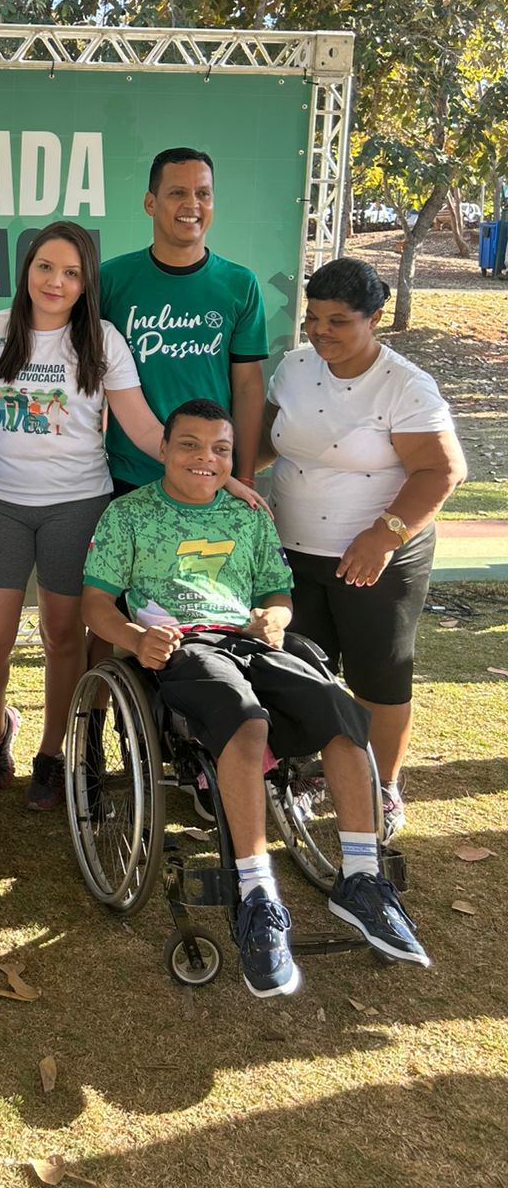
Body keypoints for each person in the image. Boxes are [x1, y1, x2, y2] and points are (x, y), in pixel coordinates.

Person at [83, 398, 430, 998]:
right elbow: (94, 605)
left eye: (219, 449)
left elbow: (277, 593)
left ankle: (361, 879)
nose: (205, 458)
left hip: (253, 641)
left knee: (341, 713)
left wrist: (276, 617)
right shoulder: (128, 514)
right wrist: (136, 639)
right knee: (244, 721)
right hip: (185, 647)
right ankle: (256, 893)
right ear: (163, 449)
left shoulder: (249, 517)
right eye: (189, 445)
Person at [0, 220, 259, 812]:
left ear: (86, 285)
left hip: (77, 505)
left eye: (71, 273)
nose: (55, 282)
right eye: (45, 267)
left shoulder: (101, 340)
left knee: (63, 637)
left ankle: (53, 754)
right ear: (27, 271)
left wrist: (214, 470)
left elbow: (146, 428)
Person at [262, 257, 466, 836]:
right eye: (313, 319)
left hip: (377, 558)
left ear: (374, 318)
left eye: (338, 321)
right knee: (304, 668)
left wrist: (384, 535)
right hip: (294, 551)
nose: (320, 332)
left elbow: (442, 470)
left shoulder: (404, 384)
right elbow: (268, 442)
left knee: (378, 676)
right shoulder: (294, 368)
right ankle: (310, 772)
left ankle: (383, 785)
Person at [99, 149, 268, 493]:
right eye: (177, 192)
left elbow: (248, 388)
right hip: (129, 473)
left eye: (203, 193)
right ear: (150, 203)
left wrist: (245, 476)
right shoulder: (110, 280)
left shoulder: (240, 284)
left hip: (210, 475)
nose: (192, 204)